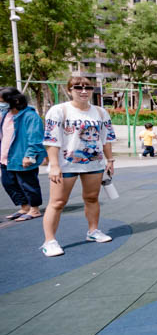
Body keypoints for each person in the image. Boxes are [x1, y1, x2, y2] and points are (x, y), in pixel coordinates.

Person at [40, 76, 116, 257]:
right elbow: (52, 140)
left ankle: (93, 231)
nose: (83, 91)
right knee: (57, 202)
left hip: (93, 163)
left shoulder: (100, 112)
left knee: (91, 198)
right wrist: (54, 165)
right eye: (78, 87)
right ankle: (49, 241)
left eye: (88, 88)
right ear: (69, 90)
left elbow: (106, 139)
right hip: (66, 165)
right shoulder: (59, 111)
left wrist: (110, 160)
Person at [0, 87, 45, 222]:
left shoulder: (29, 116)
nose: (1, 104)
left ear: (15, 100)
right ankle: (24, 207)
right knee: (9, 183)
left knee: (28, 184)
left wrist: (29, 155)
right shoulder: (5, 115)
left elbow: (35, 138)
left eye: (2, 101)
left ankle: (34, 209)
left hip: (22, 156)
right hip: (6, 157)